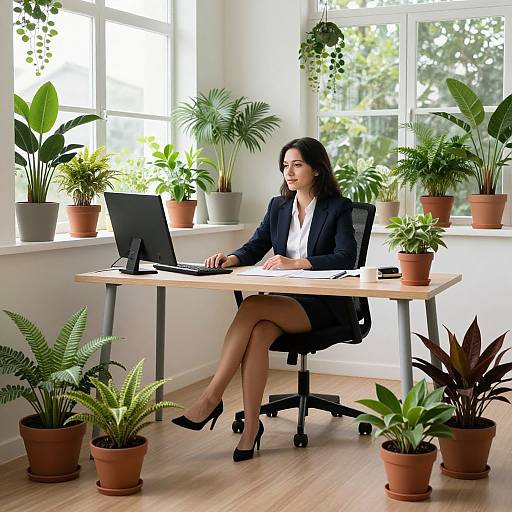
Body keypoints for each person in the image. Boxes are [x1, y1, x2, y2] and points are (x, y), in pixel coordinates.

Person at [172, 137, 357, 462]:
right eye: (285, 165)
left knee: (252, 305)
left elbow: (346, 257)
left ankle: (212, 397)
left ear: (316, 169)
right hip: (285, 301)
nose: (289, 171)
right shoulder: (279, 206)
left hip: (325, 305)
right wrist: (230, 258)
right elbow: (255, 246)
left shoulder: (338, 208)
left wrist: (299, 262)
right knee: (257, 334)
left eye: (297, 164)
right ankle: (250, 429)